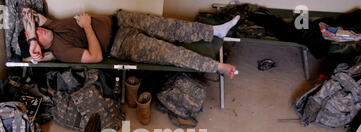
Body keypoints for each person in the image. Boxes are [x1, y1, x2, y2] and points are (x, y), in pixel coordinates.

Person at [21, 8, 239, 79]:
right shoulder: (61, 51)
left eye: (34, 31)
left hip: (121, 20)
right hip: (122, 43)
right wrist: (87, 26)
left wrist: (32, 38)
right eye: (36, 36)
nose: (37, 30)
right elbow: (96, 57)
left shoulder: (49, 26)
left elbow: (24, 11)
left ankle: (215, 31)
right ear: (42, 48)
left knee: (170, 26)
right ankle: (217, 67)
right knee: (171, 53)